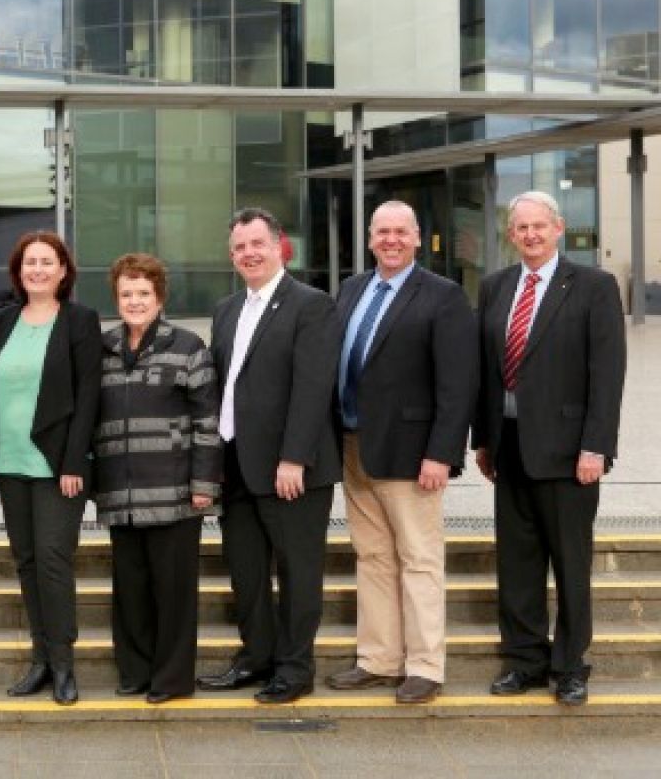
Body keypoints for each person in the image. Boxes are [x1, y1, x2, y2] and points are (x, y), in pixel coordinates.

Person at [474, 190, 626, 707]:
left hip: (568, 453)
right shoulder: (494, 288)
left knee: (569, 562)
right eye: (521, 228)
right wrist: (485, 440)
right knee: (517, 564)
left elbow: (607, 376)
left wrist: (596, 447)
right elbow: (486, 373)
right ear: (511, 234)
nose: (531, 235)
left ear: (558, 229)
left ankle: (571, 667)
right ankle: (525, 661)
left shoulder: (594, 287)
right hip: (509, 447)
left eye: (540, 226)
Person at [324, 202, 477, 705]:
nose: (390, 240)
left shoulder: (443, 296)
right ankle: (379, 658)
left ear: (416, 237)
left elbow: (458, 383)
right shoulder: (351, 289)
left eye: (400, 232)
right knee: (372, 556)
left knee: (418, 557)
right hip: (353, 444)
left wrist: (442, 452)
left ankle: (426, 665)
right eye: (381, 232)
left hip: (412, 453)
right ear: (370, 239)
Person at [198, 208, 341, 704]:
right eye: (239, 247)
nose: (248, 254)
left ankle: (295, 669)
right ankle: (256, 658)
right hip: (237, 466)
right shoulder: (227, 309)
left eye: (257, 243)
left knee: (298, 572)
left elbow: (313, 387)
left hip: (290, 469)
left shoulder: (311, 304)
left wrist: (294, 457)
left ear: (279, 245)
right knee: (247, 573)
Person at [92, 253, 221, 704]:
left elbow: (209, 420)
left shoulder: (188, 347)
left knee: (173, 593)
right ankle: (134, 672)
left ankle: (170, 680)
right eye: (126, 294)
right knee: (130, 591)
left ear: (160, 297)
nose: (134, 301)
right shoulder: (102, 349)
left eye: (143, 293)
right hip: (119, 493)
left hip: (175, 493)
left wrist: (205, 484)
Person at [0, 232, 101, 706]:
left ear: (62, 271)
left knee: (54, 562)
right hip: (9, 462)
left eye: (46, 262)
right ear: (19, 271)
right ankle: (38, 660)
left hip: (58, 466)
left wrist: (76, 460)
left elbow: (89, 395)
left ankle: (62, 664)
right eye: (29, 262)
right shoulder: (5, 320)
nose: (37, 269)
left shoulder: (80, 320)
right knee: (27, 561)